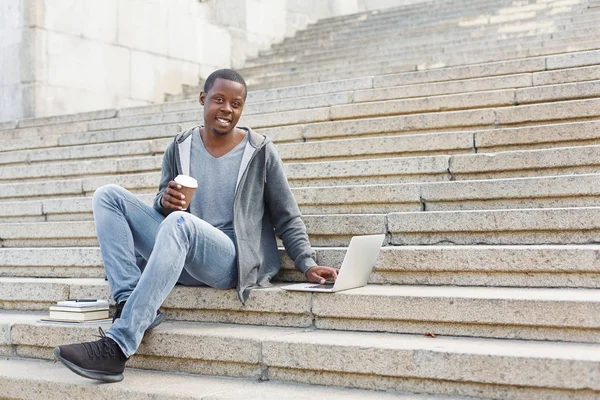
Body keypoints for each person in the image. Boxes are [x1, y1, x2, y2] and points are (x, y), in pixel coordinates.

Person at [53, 69, 339, 382]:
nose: (227, 109)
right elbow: (162, 202)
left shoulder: (259, 151)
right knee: (107, 196)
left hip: (229, 261)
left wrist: (307, 263)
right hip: (182, 249)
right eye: (219, 99)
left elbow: (287, 215)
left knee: (180, 223)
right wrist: (165, 201)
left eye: (236, 103)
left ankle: (118, 347)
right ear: (203, 99)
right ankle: (129, 302)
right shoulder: (180, 146)